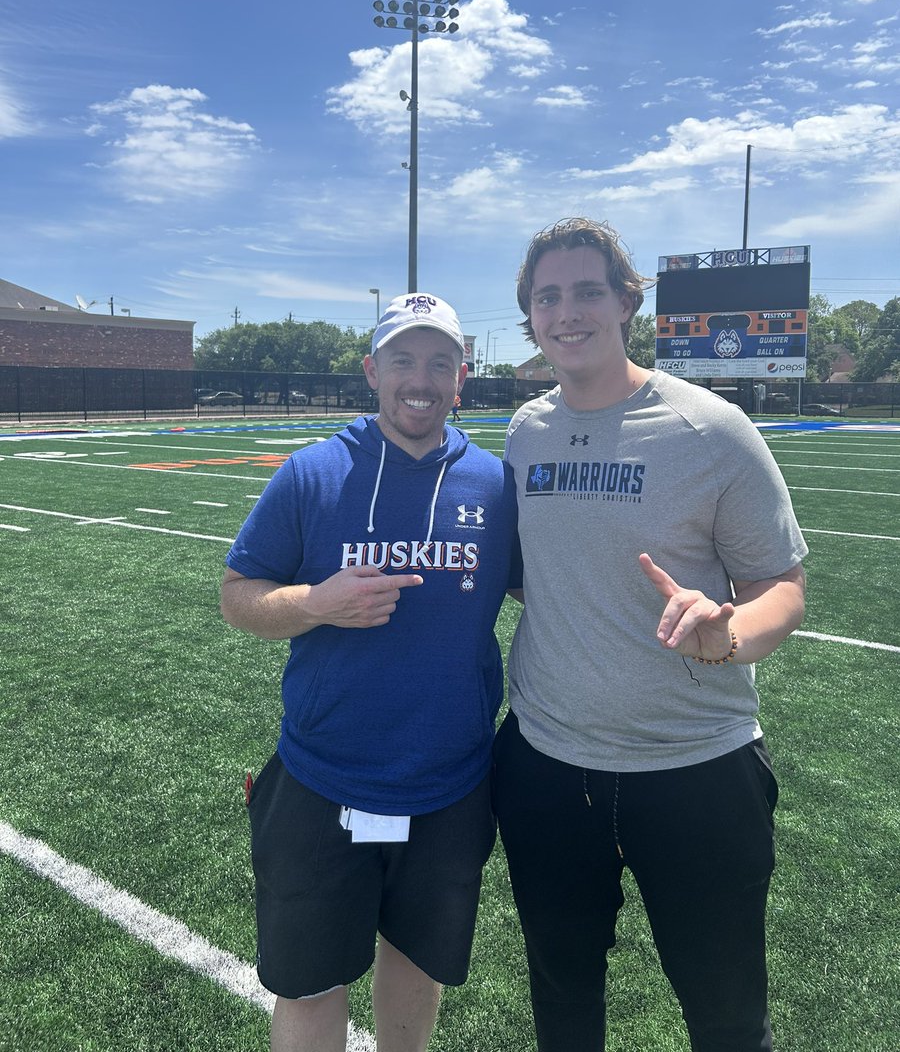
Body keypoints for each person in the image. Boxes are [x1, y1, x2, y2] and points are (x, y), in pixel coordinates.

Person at [493, 218, 808, 1052]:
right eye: (547, 296)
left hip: (697, 769)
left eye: (587, 291)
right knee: (563, 1007)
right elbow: (534, 574)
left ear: (627, 302)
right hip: (549, 769)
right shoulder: (524, 432)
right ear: (529, 314)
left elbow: (781, 583)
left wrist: (730, 630)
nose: (568, 312)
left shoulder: (711, 428)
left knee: (728, 1017)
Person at [221, 292, 521, 1052]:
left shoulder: (493, 484)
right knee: (312, 983)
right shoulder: (312, 474)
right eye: (402, 360)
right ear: (371, 370)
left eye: (439, 362)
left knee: (416, 970)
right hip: (324, 779)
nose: (420, 379)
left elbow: (546, 587)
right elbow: (237, 597)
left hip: (451, 785)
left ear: (462, 377)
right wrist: (316, 603)